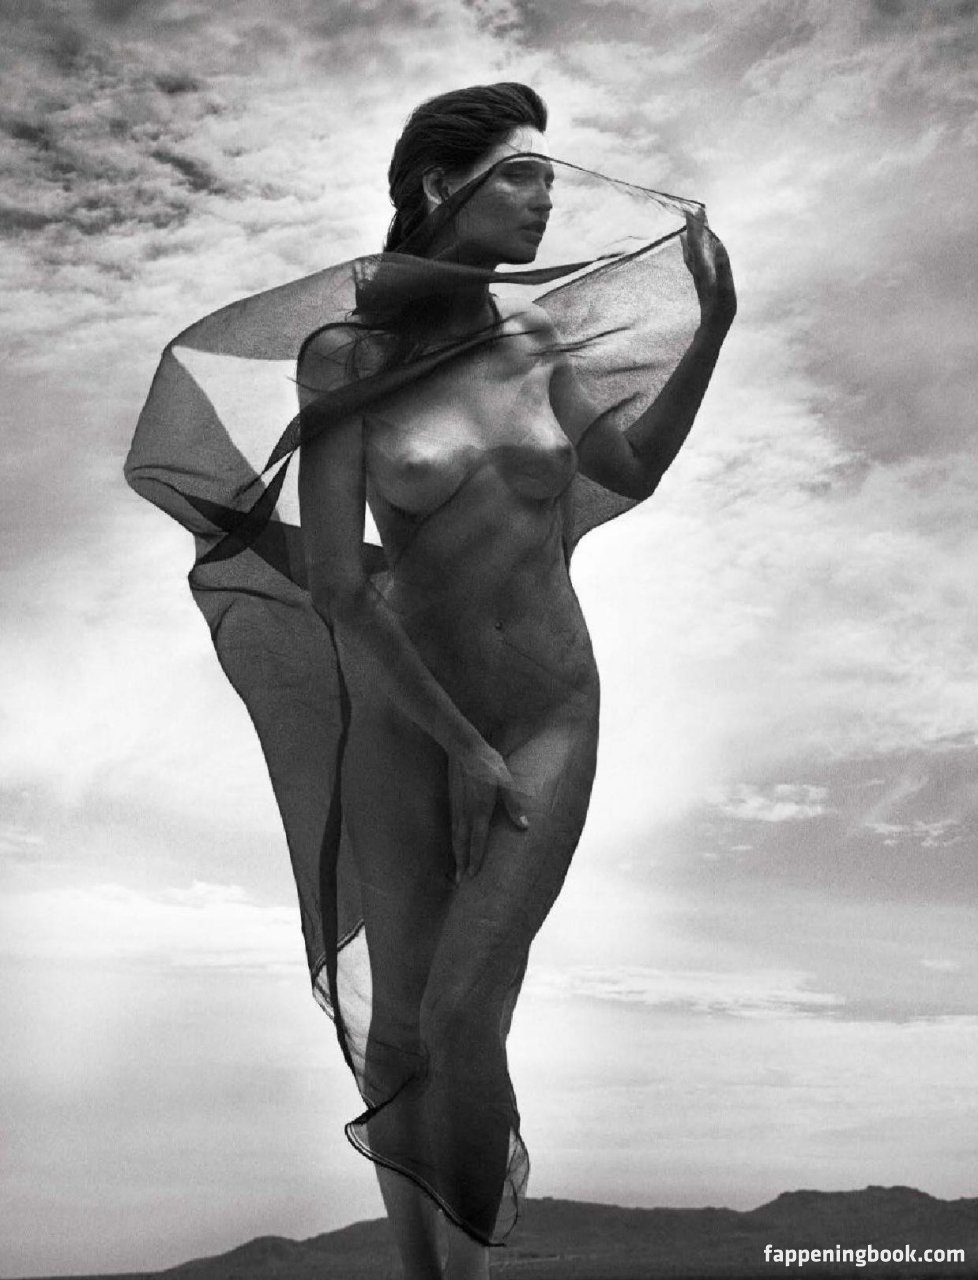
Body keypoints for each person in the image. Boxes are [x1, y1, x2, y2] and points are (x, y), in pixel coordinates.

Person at [125, 81, 734, 1280]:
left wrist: (711, 328)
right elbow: (339, 588)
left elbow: (629, 469)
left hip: (550, 709)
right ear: (440, 186)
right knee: (401, 1020)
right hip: (411, 719)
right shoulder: (346, 358)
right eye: (522, 174)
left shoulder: (536, 345)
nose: (546, 199)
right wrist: (461, 745)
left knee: (466, 1010)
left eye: (552, 178)